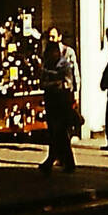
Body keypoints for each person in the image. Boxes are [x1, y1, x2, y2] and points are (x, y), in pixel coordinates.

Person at [38, 37, 77, 174]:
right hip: (51, 101)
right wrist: (55, 82)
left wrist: (53, 83)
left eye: (53, 52)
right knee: (53, 133)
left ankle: (67, 162)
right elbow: (42, 83)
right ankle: (53, 159)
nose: (51, 55)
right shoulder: (47, 66)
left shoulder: (64, 65)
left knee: (60, 132)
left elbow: (67, 83)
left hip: (62, 102)